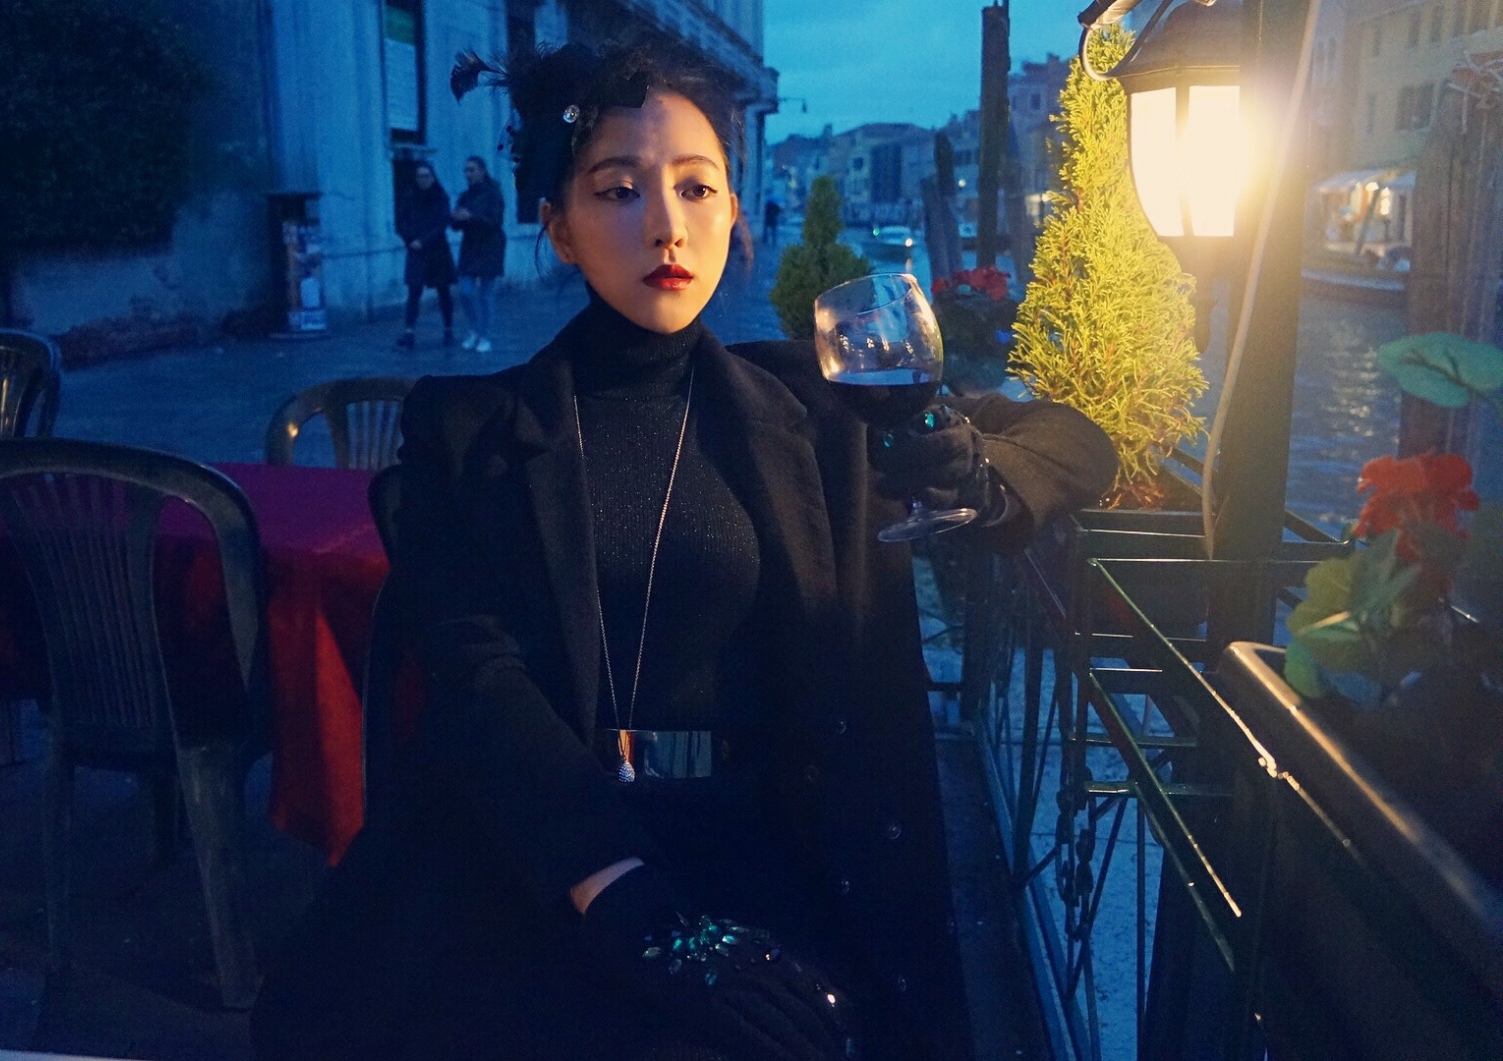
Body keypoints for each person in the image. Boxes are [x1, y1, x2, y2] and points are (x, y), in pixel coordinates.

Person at [251, 39, 1116, 1061]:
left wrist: (974, 471)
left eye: (697, 187)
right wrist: (626, 898)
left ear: (733, 211)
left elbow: (1078, 442)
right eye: (619, 190)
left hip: (765, 843)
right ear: (558, 228)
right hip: (545, 848)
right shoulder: (468, 431)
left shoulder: (815, 397)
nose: (665, 223)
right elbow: (478, 680)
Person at [394, 161, 458, 349]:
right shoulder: (408, 196)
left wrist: (424, 240)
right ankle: (409, 332)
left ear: (432, 177)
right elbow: (400, 222)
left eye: (426, 176)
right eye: (419, 176)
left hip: (438, 251)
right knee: (414, 291)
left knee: (443, 291)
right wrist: (410, 239)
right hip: (415, 250)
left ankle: (448, 329)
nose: (422, 179)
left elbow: (442, 222)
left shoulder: (440, 196)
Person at [450, 154, 506, 353]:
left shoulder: (494, 194)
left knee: (485, 295)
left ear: (482, 171)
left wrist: (471, 217)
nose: (468, 174)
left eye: (472, 169)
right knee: (465, 292)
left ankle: (484, 335)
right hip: (470, 249)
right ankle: (473, 329)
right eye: (466, 170)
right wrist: (456, 218)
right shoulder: (465, 196)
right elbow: (456, 225)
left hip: (490, 248)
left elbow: (495, 222)